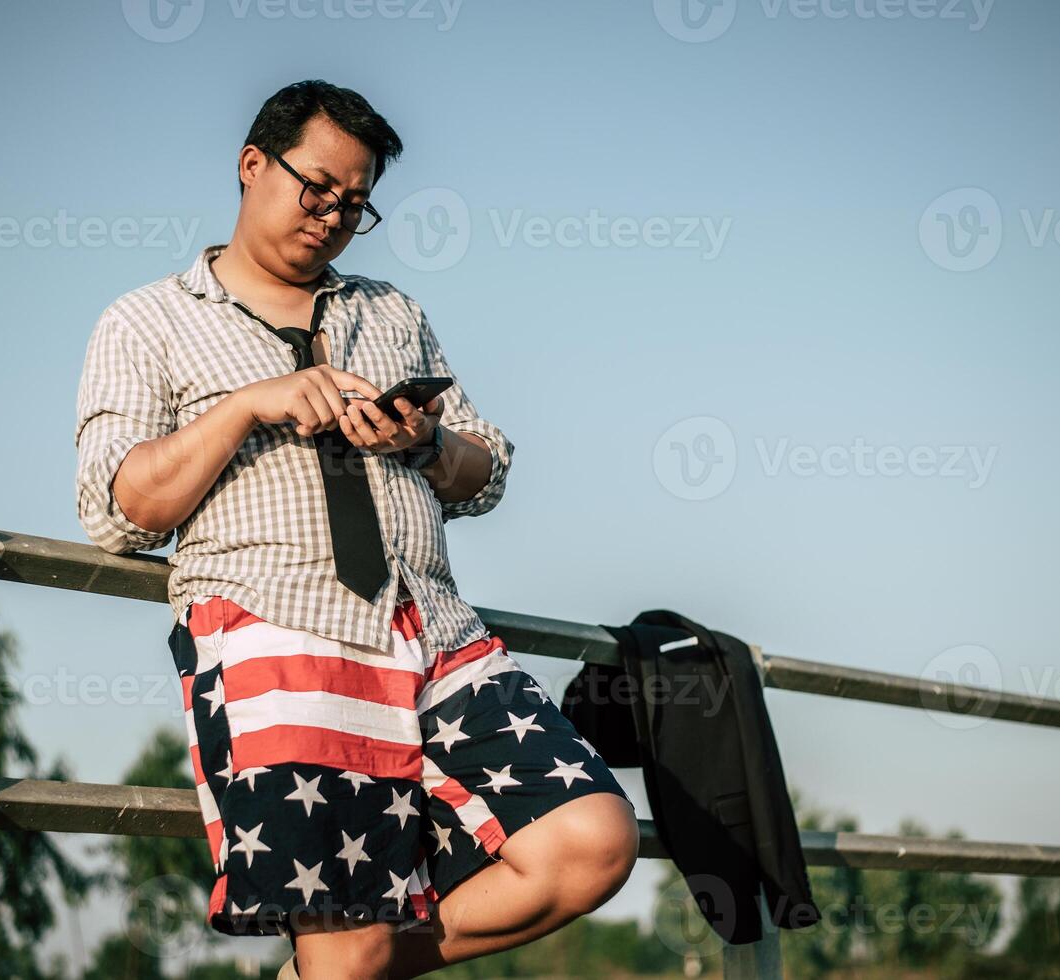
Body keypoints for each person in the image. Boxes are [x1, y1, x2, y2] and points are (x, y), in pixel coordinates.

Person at [73, 79, 639, 979]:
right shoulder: (148, 320)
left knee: (593, 841)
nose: (334, 214)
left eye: (356, 202)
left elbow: (483, 471)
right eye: (317, 187)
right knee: (351, 938)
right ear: (252, 164)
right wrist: (247, 406)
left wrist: (425, 439)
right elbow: (119, 510)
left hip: (436, 634)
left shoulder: (392, 313)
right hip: (281, 640)